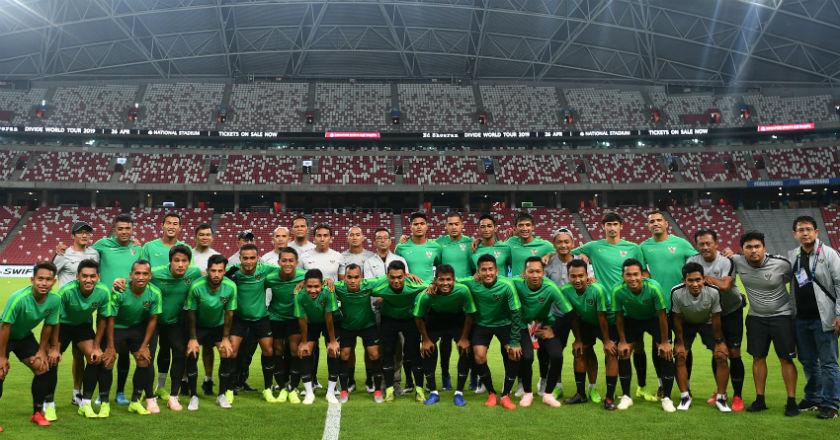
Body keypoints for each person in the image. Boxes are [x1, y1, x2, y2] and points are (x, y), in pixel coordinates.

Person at [117, 245, 201, 411]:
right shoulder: (156, 273)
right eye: (176, 260)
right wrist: (119, 282)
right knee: (147, 357)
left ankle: (173, 396)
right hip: (151, 322)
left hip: (174, 322)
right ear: (170, 261)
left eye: (184, 261)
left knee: (179, 353)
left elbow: (211, 277)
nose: (180, 264)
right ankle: (149, 397)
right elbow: (139, 277)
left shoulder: (194, 273)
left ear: (189, 263)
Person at [731, 231, 799, 416]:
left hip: (782, 317)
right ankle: (760, 399)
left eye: (757, 246)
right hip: (756, 317)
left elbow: (796, 283)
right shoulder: (737, 262)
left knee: (786, 358)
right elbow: (727, 277)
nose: (753, 251)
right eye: (749, 247)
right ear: (742, 250)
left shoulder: (782, 264)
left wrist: (795, 310)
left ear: (764, 248)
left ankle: (791, 401)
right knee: (758, 358)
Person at [639, 210, 698, 400]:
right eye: (651, 221)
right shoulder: (643, 247)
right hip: (658, 308)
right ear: (648, 226)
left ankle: (686, 386)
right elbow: (642, 272)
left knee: (683, 348)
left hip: (681, 306)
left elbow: (697, 262)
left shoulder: (681, 243)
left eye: (658, 220)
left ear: (666, 224)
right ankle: (662, 385)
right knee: (659, 347)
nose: (655, 223)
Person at [689, 229, 747, 411]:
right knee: (718, 352)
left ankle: (738, 396)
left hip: (731, 311)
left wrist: (703, 278)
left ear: (716, 243)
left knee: (734, 352)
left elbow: (725, 285)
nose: (705, 247)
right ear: (696, 245)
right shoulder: (692, 261)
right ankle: (720, 392)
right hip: (712, 314)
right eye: (701, 244)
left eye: (708, 243)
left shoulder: (726, 261)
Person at [788, 216, 840, 419]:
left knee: (828, 362)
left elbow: (839, 284)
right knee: (808, 361)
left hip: (824, 318)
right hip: (801, 318)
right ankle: (813, 397)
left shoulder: (829, 254)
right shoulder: (794, 256)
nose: (805, 233)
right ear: (795, 234)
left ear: (816, 232)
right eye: (801, 230)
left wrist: (839, 314)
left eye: (809, 229)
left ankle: (831, 403)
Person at [49, 260, 114, 420]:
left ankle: (81, 399)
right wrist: (54, 348)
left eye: (92, 276)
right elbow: (54, 319)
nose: (88, 280)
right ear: (77, 276)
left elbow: (103, 319)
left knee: (94, 358)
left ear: (98, 277)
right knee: (51, 360)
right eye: (84, 276)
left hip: (82, 326)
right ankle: (48, 403)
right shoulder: (66, 292)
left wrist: (97, 346)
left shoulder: (103, 291)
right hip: (61, 325)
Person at [0, 262, 62, 429]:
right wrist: (2, 357)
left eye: (48, 279)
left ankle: (37, 413)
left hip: (23, 337)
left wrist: (42, 350)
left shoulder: (55, 300)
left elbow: (49, 325)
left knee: (42, 367)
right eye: (40, 279)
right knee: (0, 372)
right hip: (3, 336)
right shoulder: (18, 298)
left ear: (54, 282)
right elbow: (5, 326)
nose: (44, 283)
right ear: (32, 280)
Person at [511, 257, 578, 408]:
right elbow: (498, 280)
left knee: (557, 355)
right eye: (531, 271)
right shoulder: (515, 282)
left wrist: (553, 330)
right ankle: (527, 393)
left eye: (538, 271)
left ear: (544, 273)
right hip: (523, 325)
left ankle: (547, 394)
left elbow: (570, 313)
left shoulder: (551, 287)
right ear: (524, 273)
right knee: (527, 357)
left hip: (543, 324)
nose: (535, 275)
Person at [459, 254, 524, 410]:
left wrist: (515, 341)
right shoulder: (471, 283)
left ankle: (506, 395)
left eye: (490, 269)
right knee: (479, 355)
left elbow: (516, 312)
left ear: (497, 270)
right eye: (484, 270)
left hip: (504, 324)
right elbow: (450, 280)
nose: (488, 273)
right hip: (482, 324)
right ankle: (491, 393)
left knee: (513, 353)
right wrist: (432, 284)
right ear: (478, 272)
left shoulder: (507, 285)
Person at [612, 259, 675, 413]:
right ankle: (627, 396)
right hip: (632, 320)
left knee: (665, 353)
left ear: (643, 275)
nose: (632, 278)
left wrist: (665, 342)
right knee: (624, 352)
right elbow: (619, 316)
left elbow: (662, 315)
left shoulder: (653, 287)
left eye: (636, 274)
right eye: (628, 275)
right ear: (623, 276)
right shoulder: (617, 290)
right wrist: (622, 341)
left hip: (654, 319)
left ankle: (667, 397)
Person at [542, 227, 597, 400]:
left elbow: (591, 281)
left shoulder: (582, 261)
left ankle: (592, 388)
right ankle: (557, 386)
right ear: (554, 244)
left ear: (573, 244)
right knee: (555, 352)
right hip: (558, 315)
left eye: (567, 241)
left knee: (586, 351)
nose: (563, 245)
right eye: (559, 242)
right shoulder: (548, 263)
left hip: (580, 315)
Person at [92, 213, 141, 406]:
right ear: (114, 229)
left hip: (130, 309)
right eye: (120, 228)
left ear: (132, 230)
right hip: (106, 308)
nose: (124, 232)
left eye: (127, 228)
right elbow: (83, 251)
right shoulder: (102, 245)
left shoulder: (138, 249)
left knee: (124, 354)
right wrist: (61, 252)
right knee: (104, 351)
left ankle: (120, 392)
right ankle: (100, 393)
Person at [671, 262, 731, 412]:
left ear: (704, 278)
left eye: (698, 279)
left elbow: (716, 317)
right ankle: (685, 396)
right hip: (686, 324)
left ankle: (721, 398)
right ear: (684, 280)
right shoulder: (676, 292)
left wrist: (719, 342)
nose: (695, 284)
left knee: (722, 355)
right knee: (679, 355)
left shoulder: (714, 292)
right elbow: (676, 318)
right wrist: (679, 342)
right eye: (690, 280)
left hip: (708, 323)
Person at [560, 260, 620, 410]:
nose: (577, 279)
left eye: (581, 275)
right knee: (579, 352)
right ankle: (581, 394)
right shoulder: (566, 291)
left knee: (611, 353)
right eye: (573, 276)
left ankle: (610, 397)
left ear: (588, 275)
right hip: (586, 322)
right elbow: (573, 316)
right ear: (568, 276)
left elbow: (602, 316)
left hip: (608, 323)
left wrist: (606, 341)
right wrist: (578, 340)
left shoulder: (597, 290)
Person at [53, 220, 100, 408]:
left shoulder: (94, 254)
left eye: (87, 232)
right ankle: (48, 398)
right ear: (73, 235)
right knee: (53, 357)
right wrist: (56, 254)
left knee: (79, 355)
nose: (84, 235)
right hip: (63, 314)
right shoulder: (64, 253)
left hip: (84, 315)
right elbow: (50, 273)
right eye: (80, 232)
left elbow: (98, 275)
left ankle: (76, 393)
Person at [414, 264, 475, 406]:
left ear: (454, 280)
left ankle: (459, 393)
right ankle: (433, 392)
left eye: (449, 279)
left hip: (456, 319)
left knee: (465, 349)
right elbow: (418, 317)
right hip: (435, 319)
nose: (445, 283)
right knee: (428, 350)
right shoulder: (427, 295)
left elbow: (470, 314)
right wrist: (425, 340)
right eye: (441, 280)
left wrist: (465, 338)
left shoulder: (463, 290)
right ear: (435, 281)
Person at [226, 243, 279, 403]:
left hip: (261, 318)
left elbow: (288, 272)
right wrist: (228, 278)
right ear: (240, 258)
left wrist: (303, 281)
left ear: (257, 258)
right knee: (232, 352)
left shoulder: (264, 269)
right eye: (245, 258)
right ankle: (228, 389)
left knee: (269, 351)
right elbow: (215, 278)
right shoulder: (233, 270)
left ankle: (268, 389)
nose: (249, 262)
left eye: (252, 258)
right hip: (239, 319)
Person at [109, 260, 162, 415]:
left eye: (145, 273)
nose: (141, 277)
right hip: (117, 328)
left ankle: (135, 400)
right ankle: (103, 400)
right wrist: (111, 346)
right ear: (130, 275)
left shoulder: (155, 293)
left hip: (136, 329)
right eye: (137, 273)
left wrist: (144, 346)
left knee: (144, 359)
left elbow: (153, 319)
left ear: (150, 276)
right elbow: (110, 319)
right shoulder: (120, 291)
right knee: (107, 359)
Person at [184, 254, 238, 410]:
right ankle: (193, 395)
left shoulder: (230, 287)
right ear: (207, 270)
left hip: (219, 326)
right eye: (213, 270)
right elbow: (191, 313)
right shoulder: (196, 286)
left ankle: (221, 394)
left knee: (227, 352)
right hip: (199, 325)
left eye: (220, 271)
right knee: (192, 352)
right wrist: (193, 338)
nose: (216, 274)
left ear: (224, 271)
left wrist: (226, 338)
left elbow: (229, 313)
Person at [373, 260, 428, 402]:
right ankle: (390, 390)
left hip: (409, 320)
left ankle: (419, 390)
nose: (396, 281)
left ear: (405, 275)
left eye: (400, 277)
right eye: (392, 277)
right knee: (387, 353)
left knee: (414, 353)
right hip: (388, 320)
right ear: (387, 276)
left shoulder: (415, 285)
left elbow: (434, 285)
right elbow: (359, 285)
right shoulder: (379, 286)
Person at [334, 264, 384, 403]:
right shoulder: (338, 287)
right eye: (349, 277)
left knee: (374, 354)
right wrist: (327, 281)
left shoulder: (368, 285)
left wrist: (407, 275)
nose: (353, 280)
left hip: (367, 325)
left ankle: (377, 389)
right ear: (344, 278)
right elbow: (321, 283)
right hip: (347, 326)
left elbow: (388, 278)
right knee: (344, 355)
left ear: (361, 278)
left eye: (356, 277)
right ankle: (344, 390)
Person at [264, 247, 306, 404]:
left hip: (295, 317)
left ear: (296, 262)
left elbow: (319, 283)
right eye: (284, 260)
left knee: (295, 350)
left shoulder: (304, 276)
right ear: (278, 262)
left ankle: (293, 387)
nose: (287, 263)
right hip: (275, 316)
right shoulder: (271, 277)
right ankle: (282, 386)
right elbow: (257, 288)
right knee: (278, 349)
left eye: (291, 260)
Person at [294, 269, 341, 405]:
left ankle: (331, 391)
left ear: (322, 285)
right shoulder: (299, 294)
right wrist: (303, 342)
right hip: (310, 323)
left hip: (330, 322)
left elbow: (329, 317)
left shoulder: (328, 292)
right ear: (304, 285)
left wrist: (332, 341)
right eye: (309, 286)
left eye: (316, 286)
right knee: (305, 351)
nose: (313, 290)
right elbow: (302, 319)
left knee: (333, 351)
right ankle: (309, 391)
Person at [191, 223, 220, 397]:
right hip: (191, 309)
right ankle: (187, 380)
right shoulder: (189, 255)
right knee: (191, 348)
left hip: (209, 311)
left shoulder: (216, 256)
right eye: (201, 234)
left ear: (212, 237)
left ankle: (208, 379)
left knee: (208, 348)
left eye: (208, 234)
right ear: (196, 236)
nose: (205, 237)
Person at [395, 212, 442, 283]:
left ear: (427, 226)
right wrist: (406, 275)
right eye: (415, 224)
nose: (419, 226)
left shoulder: (436, 247)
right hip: (408, 289)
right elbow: (395, 271)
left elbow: (441, 269)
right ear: (410, 227)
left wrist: (434, 283)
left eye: (422, 224)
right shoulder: (401, 247)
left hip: (428, 291)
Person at [504, 212, 553, 277]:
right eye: (521, 225)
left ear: (533, 227)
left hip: (536, 285)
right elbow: (498, 250)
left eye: (528, 225)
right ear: (516, 228)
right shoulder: (510, 243)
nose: (524, 228)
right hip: (516, 286)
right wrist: (506, 239)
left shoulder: (545, 245)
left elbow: (563, 252)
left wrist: (549, 255)